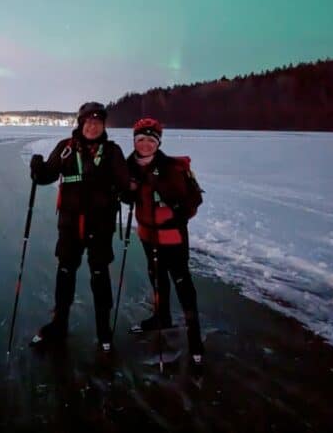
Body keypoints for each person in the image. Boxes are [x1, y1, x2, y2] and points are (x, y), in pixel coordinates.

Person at [29, 102, 129, 352]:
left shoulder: (112, 151)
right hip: (70, 225)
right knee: (65, 273)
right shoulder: (65, 148)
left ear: (104, 126)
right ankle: (59, 324)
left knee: (99, 275)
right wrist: (38, 169)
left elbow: (126, 184)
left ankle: (104, 331)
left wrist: (127, 188)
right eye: (89, 122)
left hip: (101, 225)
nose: (93, 127)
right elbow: (46, 177)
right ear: (81, 124)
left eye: (98, 123)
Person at [126, 117, 205, 363]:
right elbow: (127, 196)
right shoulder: (129, 166)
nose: (146, 144)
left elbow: (194, 200)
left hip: (172, 236)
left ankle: (195, 338)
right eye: (141, 140)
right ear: (135, 141)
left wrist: (178, 210)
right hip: (148, 235)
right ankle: (162, 317)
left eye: (151, 140)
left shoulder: (172, 167)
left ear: (158, 143)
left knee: (182, 283)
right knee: (157, 277)